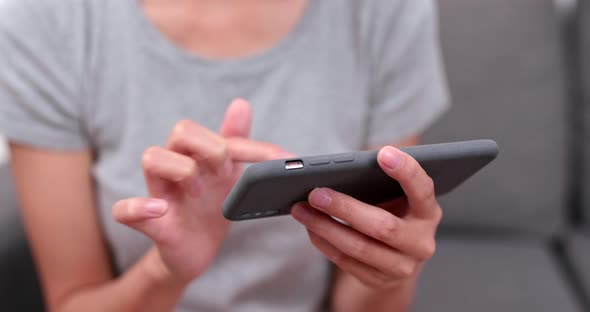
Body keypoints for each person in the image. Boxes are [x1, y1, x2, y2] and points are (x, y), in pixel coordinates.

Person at [0, 0, 449, 311]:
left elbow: (363, 299)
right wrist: (166, 271)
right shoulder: (46, 21)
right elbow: (75, 301)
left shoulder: (383, 11)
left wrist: (391, 267)